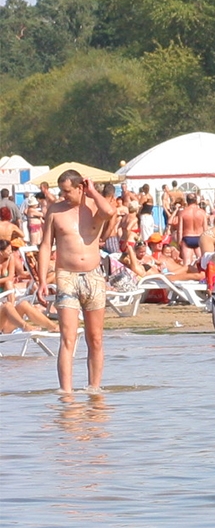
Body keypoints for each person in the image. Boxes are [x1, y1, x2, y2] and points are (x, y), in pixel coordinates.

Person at [37, 169, 115, 395]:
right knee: (68, 337)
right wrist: (42, 280)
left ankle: (94, 389)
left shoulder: (93, 208)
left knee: (96, 338)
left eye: (67, 191)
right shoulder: (56, 210)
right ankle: (66, 392)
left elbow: (109, 211)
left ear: (80, 188)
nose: (63, 195)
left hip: (93, 276)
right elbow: (45, 246)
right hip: (66, 276)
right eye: (61, 191)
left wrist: (92, 191)